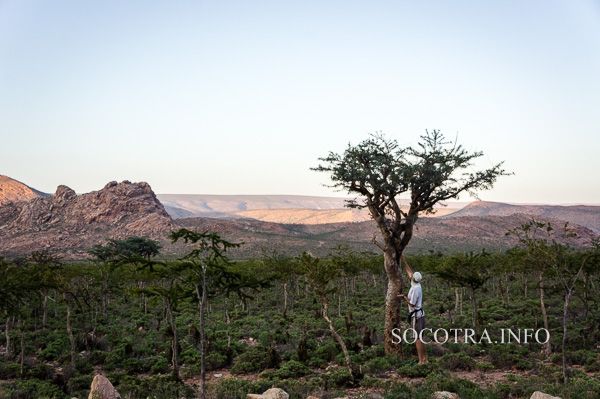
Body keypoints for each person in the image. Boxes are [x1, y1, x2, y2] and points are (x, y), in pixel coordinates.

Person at [398, 255, 427, 364]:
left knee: (417, 339)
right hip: (421, 315)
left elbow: (413, 304)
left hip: (416, 316)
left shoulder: (415, 289)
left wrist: (404, 297)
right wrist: (403, 259)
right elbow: (409, 272)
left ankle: (421, 361)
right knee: (421, 337)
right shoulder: (417, 283)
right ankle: (425, 359)